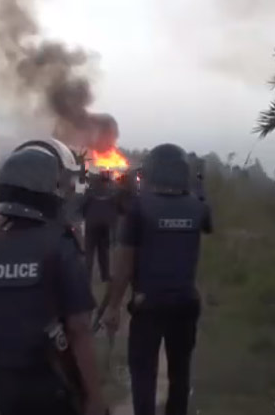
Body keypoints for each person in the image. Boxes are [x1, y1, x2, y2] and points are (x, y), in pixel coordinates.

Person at [0, 139, 107, 415]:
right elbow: (78, 328)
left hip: (7, 387)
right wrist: (95, 396)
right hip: (54, 387)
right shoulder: (60, 247)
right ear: (47, 190)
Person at [104, 144, 213, 415]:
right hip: (186, 303)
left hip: (148, 304)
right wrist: (198, 188)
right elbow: (207, 224)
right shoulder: (197, 208)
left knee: (143, 375)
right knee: (180, 373)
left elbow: (125, 263)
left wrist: (113, 305)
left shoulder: (139, 209)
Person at [82, 171, 119, 283]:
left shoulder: (89, 191)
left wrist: (86, 216)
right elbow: (115, 208)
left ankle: (87, 277)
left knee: (89, 252)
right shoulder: (111, 192)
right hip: (104, 225)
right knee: (103, 252)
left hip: (91, 224)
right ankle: (105, 275)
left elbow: (83, 206)